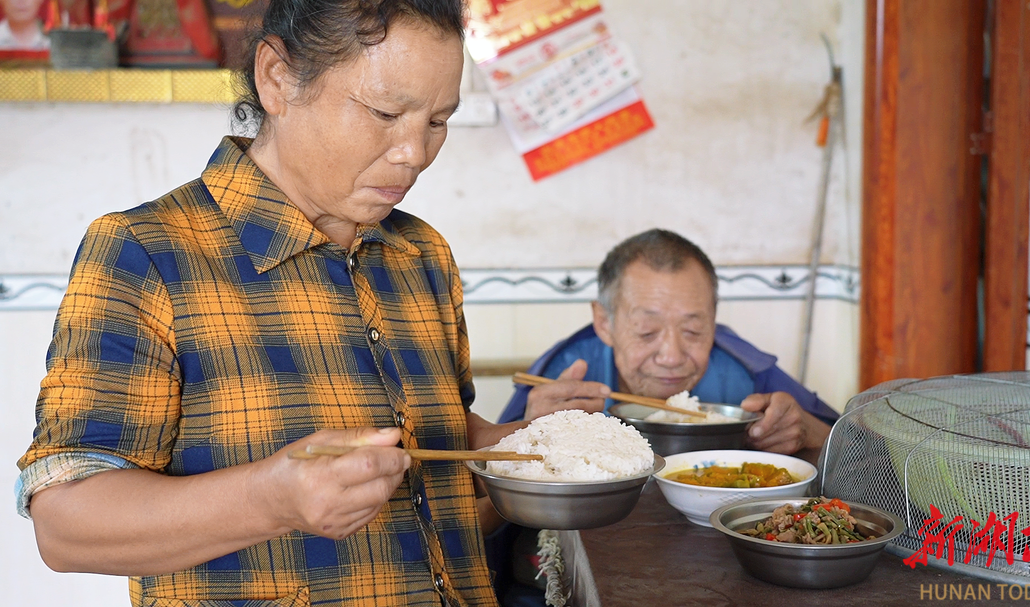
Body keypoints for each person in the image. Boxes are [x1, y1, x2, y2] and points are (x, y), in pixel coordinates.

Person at [15, 1, 526, 605]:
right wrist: (271, 499)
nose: (414, 152)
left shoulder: (420, 255)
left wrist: (517, 452)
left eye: (438, 121)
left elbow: (424, 446)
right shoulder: (146, 253)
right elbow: (66, 526)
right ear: (278, 78)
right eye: (386, 113)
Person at [487, 228, 839, 605]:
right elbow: (478, 506)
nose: (671, 355)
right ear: (604, 322)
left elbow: (854, 446)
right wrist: (528, 435)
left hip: (724, 574)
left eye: (693, 330)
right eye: (646, 330)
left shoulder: (744, 369)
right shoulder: (562, 373)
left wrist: (808, 431)